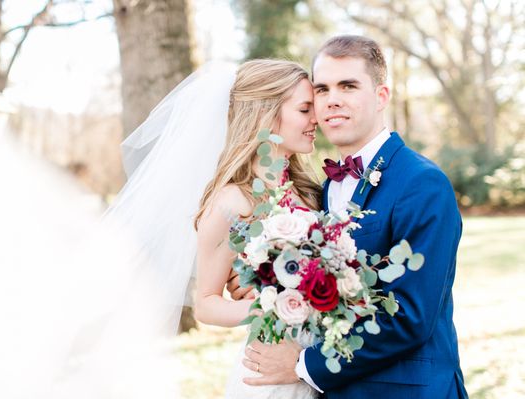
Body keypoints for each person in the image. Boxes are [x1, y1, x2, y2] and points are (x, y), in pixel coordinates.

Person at [233, 35, 469, 399]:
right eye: (322, 89)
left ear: (380, 96)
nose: (333, 100)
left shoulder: (423, 184)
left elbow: (411, 318)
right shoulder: (323, 189)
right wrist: (270, 279)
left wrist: (301, 365)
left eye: (348, 85)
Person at [192, 59, 322, 398]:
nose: (316, 119)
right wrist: (271, 305)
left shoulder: (310, 190)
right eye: (305, 109)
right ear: (268, 114)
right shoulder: (233, 201)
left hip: (320, 365)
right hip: (271, 373)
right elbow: (205, 303)